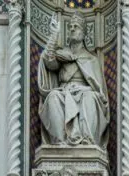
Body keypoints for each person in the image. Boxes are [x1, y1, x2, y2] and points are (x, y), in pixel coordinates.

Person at [38, 13, 109, 149]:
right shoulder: (63, 55)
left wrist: (86, 90)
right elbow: (49, 63)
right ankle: (59, 142)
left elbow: (99, 91)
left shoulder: (91, 59)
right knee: (53, 97)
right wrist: (54, 35)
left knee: (90, 97)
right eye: (70, 26)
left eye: (76, 26)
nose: (72, 29)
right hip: (64, 92)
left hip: (84, 92)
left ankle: (87, 141)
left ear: (83, 33)